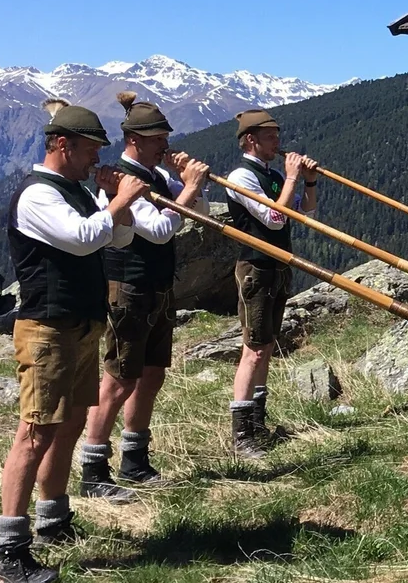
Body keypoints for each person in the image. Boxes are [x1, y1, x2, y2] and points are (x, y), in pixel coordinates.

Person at [0, 101, 150, 583]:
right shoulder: (38, 195)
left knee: (68, 426)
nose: (94, 159)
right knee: (36, 431)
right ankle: (10, 548)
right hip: (47, 328)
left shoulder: (77, 191)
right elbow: (83, 239)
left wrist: (112, 202)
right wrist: (119, 200)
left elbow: (118, 240)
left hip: (80, 326)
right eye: (89, 150)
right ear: (62, 145)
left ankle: (54, 518)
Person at [77, 92, 208, 498]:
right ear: (135, 139)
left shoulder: (156, 178)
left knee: (151, 374)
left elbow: (196, 211)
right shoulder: (120, 182)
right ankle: (93, 468)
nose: (165, 145)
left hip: (157, 285)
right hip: (129, 286)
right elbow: (160, 229)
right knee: (118, 378)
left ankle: (135, 460)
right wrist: (188, 188)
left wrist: (191, 186)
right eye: (157, 139)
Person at [223, 108, 316, 453]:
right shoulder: (241, 178)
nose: (278, 142)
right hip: (256, 268)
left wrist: (307, 180)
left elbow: (306, 210)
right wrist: (292, 177)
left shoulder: (273, 174)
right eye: (271, 137)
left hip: (278, 265)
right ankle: (242, 434)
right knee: (254, 348)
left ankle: (258, 423)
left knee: (267, 346)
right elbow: (276, 218)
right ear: (251, 140)